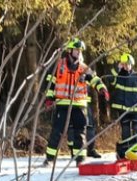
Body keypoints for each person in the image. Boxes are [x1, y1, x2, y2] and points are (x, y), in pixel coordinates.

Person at [43, 38, 108, 167]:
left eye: (80, 51)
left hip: (79, 104)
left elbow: (95, 79)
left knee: (80, 132)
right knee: (57, 131)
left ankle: (80, 159)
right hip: (63, 104)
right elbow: (50, 82)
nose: (79, 52)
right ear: (70, 51)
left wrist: (102, 89)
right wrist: (49, 98)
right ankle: (50, 158)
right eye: (77, 50)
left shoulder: (84, 68)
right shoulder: (59, 65)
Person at [103, 53, 137, 159]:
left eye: (128, 64)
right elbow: (110, 79)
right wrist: (116, 67)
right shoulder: (118, 76)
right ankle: (126, 153)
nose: (126, 66)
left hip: (136, 109)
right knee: (125, 132)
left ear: (131, 64)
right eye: (124, 64)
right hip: (123, 111)